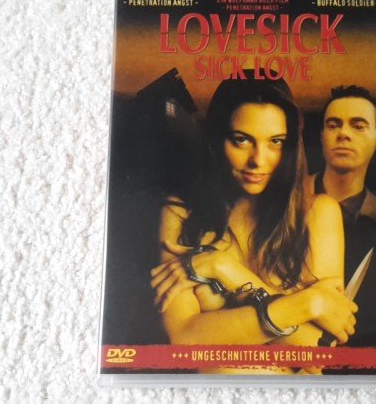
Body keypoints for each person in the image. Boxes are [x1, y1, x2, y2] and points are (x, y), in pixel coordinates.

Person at [149, 71, 358, 374]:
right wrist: (307, 304)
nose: (258, 160)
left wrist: (225, 269)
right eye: (242, 140)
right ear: (217, 139)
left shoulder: (318, 213)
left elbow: (317, 350)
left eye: (275, 142)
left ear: (290, 146)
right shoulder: (180, 213)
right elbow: (184, 344)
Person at [306, 85, 376, 350]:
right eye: (333, 125)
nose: (343, 134)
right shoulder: (283, 204)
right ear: (322, 136)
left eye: (358, 126)